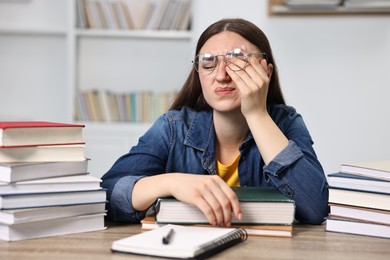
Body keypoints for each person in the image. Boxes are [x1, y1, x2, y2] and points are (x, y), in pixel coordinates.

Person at [101, 18, 329, 226]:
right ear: (198, 74)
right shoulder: (173, 128)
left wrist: (257, 113)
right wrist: (172, 183)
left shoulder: (286, 123)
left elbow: (315, 207)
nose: (221, 75)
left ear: (266, 72)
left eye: (237, 61)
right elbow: (106, 194)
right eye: (208, 64)